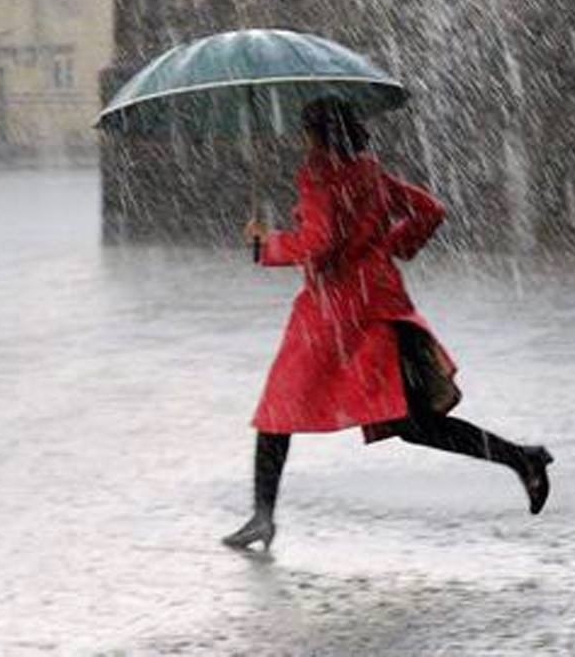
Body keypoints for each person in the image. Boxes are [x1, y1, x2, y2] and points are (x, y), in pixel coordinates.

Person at [222, 96, 553, 551]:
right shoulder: (369, 171)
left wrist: (265, 245)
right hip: (379, 303)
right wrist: (390, 247)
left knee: (278, 411)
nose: (302, 141)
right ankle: (522, 458)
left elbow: (319, 244)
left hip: (334, 315)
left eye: (305, 132)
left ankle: (262, 516)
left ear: (315, 134)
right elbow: (430, 211)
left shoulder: (320, 175)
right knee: (412, 423)